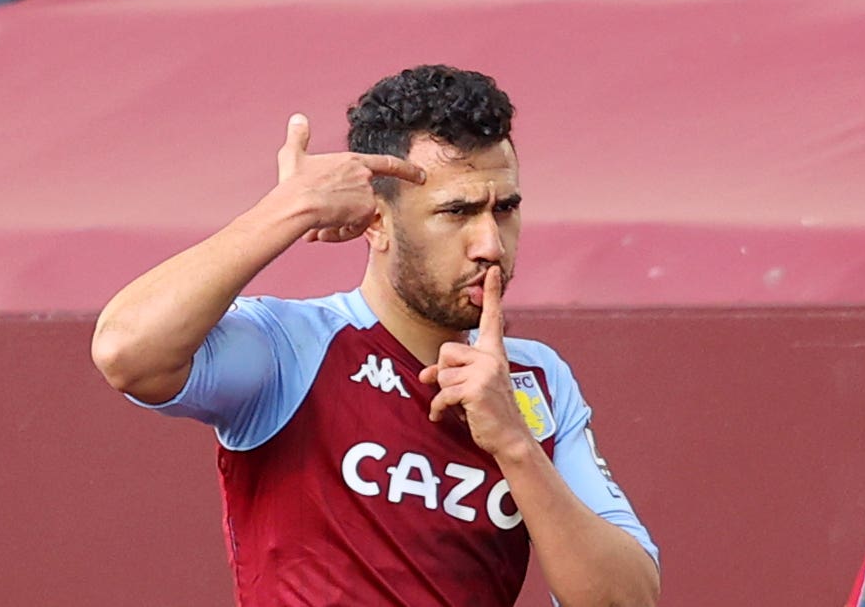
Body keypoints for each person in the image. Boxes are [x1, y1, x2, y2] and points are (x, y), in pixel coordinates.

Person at [92, 65, 660, 606]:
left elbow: (627, 597)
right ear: (376, 222)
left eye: (504, 208)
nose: (490, 244)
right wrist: (287, 210)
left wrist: (515, 444)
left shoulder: (537, 381)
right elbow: (126, 351)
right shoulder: (293, 347)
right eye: (456, 212)